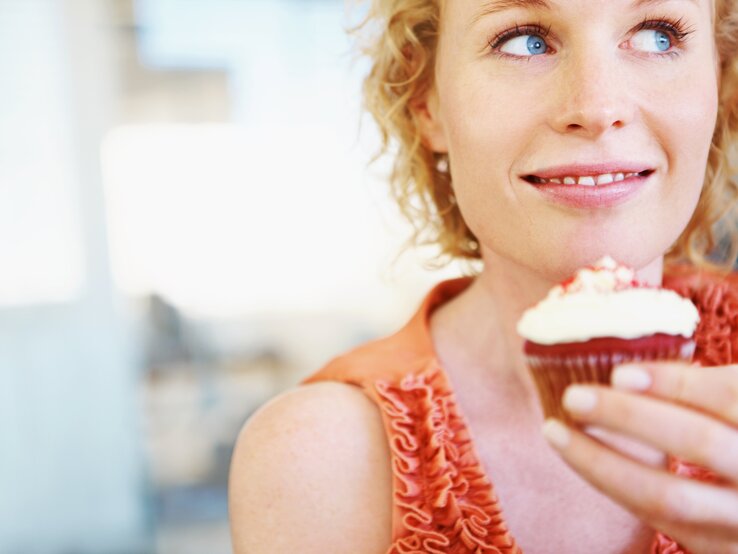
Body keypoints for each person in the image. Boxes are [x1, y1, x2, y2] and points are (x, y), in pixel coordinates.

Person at [228, 0, 738, 552]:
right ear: (427, 102)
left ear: (721, 79)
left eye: (657, 35)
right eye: (524, 40)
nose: (596, 106)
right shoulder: (319, 462)